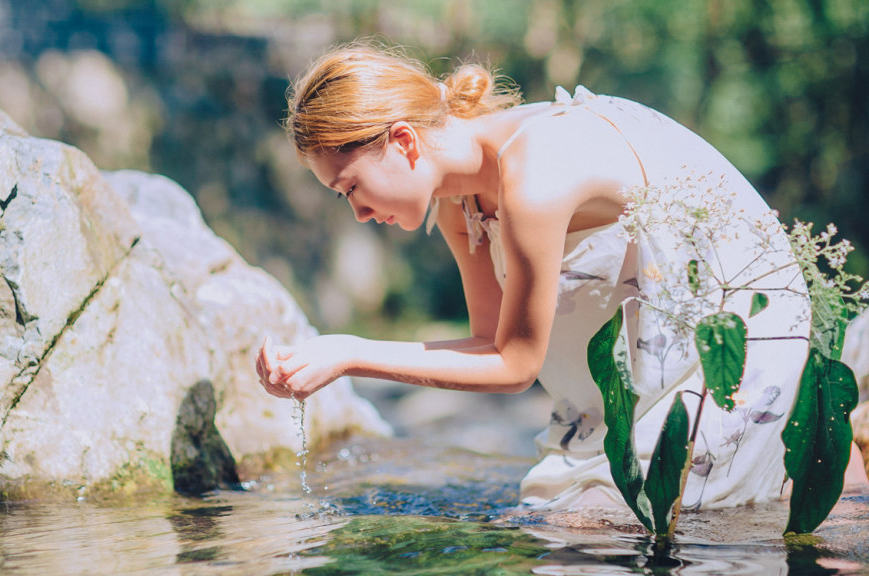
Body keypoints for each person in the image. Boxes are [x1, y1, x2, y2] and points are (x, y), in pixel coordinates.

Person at [255, 41, 861, 510]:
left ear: (405, 141)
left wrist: (352, 353)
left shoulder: (534, 176)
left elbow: (515, 368)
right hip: (634, 368)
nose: (359, 212)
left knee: (582, 529)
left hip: (734, 338)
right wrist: (329, 354)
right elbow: (491, 343)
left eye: (351, 187)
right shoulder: (458, 198)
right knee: (568, 520)